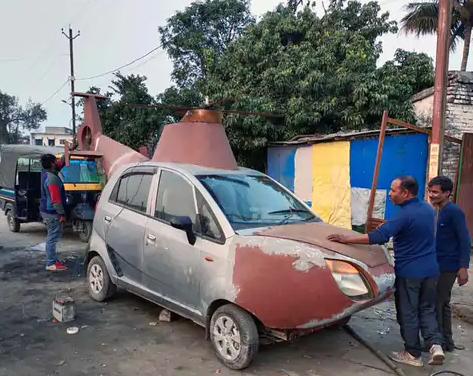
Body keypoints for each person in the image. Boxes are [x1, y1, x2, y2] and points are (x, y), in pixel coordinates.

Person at [327, 175, 445, 367]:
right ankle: (435, 345)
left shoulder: (404, 215)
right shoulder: (427, 208)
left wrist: (345, 238)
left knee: (408, 312)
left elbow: (379, 236)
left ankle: (412, 354)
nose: (389, 194)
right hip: (431, 270)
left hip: (410, 273)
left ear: (405, 193)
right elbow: (408, 227)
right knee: (427, 309)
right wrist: (391, 225)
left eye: (393, 190)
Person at [428, 175, 470, 352]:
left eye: (435, 192)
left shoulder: (453, 212)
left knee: (437, 303)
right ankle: (447, 343)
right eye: (430, 191)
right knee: (442, 303)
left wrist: (463, 267)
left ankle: (437, 343)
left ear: (447, 193)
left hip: (448, 266)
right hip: (439, 264)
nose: (431, 195)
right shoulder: (440, 210)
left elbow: (464, 239)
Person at [40, 153, 67, 271]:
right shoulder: (52, 178)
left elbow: (61, 162)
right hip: (52, 212)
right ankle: (51, 263)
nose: (58, 162)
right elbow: (55, 199)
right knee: (52, 237)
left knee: (53, 236)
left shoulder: (47, 173)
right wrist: (61, 214)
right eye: (56, 160)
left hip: (47, 210)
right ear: (52, 164)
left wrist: (69, 151)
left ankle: (53, 259)